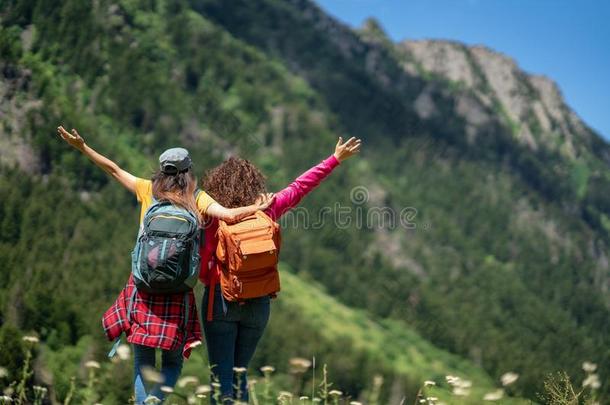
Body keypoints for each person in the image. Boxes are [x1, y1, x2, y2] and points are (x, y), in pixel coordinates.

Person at [56, 126, 273, 404]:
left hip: (142, 290)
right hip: (178, 293)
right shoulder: (197, 198)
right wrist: (257, 208)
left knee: (142, 360)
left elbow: (113, 169)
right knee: (173, 363)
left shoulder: (148, 190)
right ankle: (156, 399)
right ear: (188, 172)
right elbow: (229, 216)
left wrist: (83, 147)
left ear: (161, 171)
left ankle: (144, 403)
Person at [199, 136, 362, 403]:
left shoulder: (211, 215)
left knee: (221, 378)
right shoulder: (267, 209)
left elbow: (201, 260)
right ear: (254, 184)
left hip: (221, 300)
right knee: (240, 375)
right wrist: (334, 160)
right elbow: (299, 187)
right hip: (259, 303)